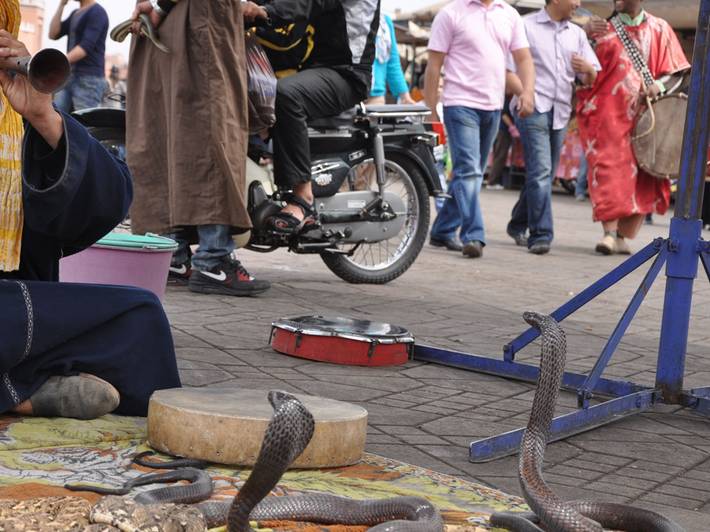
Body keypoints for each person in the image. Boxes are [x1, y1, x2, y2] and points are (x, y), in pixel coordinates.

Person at [0, 8, 180, 419]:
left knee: (139, 317)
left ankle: (23, 386)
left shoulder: (14, 120)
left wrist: (44, 117)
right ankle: (23, 394)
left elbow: (109, 201)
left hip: (10, 308)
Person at [127, 1, 270, 297]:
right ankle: (213, 260)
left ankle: (172, 255)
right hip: (197, 18)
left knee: (165, 132)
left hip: (163, 24)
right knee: (209, 133)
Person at [241, 0, 381, 235]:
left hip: (346, 73)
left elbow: (305, 3)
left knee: (286, 94)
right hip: (308, 68)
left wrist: (264, 11)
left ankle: (302, 197)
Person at [576, 0, 690, 255]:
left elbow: (678, 71)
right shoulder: (602, 30)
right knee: (609, 170)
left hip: (648, 117)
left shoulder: (660, 28)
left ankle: (622, 235)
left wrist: (658, 86)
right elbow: (580, 69)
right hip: (608, 115)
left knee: (644, 175)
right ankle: (608, 232)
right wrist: (584, 35)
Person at [424, 0, 535, 259]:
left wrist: (527, 90)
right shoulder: (450, 14)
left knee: (468, 174)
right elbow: (434, 66)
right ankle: (474, 234)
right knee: (469, 171)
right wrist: (430, 111)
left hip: (493, 106)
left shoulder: (509, 15)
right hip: (459, 103)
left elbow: (523, 58)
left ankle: (442, 230)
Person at [506, 0, 600, 255]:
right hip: (532, 106)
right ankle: (541, 234)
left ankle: (517, 223)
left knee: (543, 174)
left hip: (560, 111)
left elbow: (591, 78)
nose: (578, 4)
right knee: (542, 172)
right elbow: (509, 68)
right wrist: (523, 95)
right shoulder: (525, 26)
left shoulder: (577, 34)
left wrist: (588, 69)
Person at [49, 0, 109, 113]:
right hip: (68, 76)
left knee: (85, 124)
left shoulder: (97, 12)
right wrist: (61, 5)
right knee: (56, 117)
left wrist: (58, 62)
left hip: (89, 80)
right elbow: (53, 34)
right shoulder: (75, 13)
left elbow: (85, 47)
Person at [368, 13, 414, 105]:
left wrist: (405, 96)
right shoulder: (343, 12)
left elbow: (392, 62)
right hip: (346, 93)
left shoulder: (385, 22)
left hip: (375, 96)